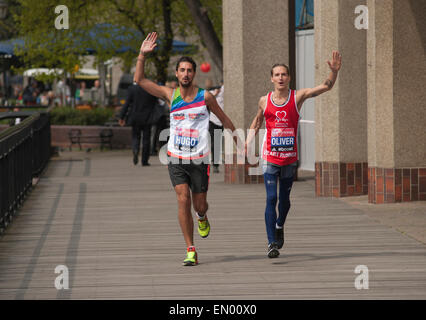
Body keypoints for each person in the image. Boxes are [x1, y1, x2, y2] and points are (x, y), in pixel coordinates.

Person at [134, 32, 241, 266]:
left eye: (189, 70)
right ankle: (190, 248)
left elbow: (225, 120)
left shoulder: (206, 97)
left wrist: (240, 144)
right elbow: (140, 81)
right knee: (182, 199)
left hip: (199, 160)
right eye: (181, 70)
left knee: (198, 204)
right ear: (176, 74)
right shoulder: (170, 95)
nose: (185, 74)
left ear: (194, 74)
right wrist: (142, 55)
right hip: (176, 158)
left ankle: (202, 216)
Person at [245, 51, 342, 258]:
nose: (280, 78)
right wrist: (247, 141)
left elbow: (325, 87)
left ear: (289, 78)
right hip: (270, 156)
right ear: (271, 78)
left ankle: (280, 225)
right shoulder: (264, 100)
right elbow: (257, 121)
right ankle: (271, 242)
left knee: (285, 200)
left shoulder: (297, 97)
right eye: (277, 75)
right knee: (271, 198)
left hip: (289, 158)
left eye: (284, 74)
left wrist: (333, 73)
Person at [119, 82, 157, 166]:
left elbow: (127, 104)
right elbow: (155, 102)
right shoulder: (150, 89)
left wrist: (122, 117)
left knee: (135, 136)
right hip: (147, 117)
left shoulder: (132, 89)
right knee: (146, 139)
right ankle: (144, 160)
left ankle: (135, 150)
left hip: (135, 117)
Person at [208, 84, 224, 173]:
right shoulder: (210, 94)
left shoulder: (223, 91)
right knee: (215, 143)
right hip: (213, 121)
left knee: (219, 143)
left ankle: (216, 161)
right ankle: (215, 164)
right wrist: (214, 94)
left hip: (222, 121)